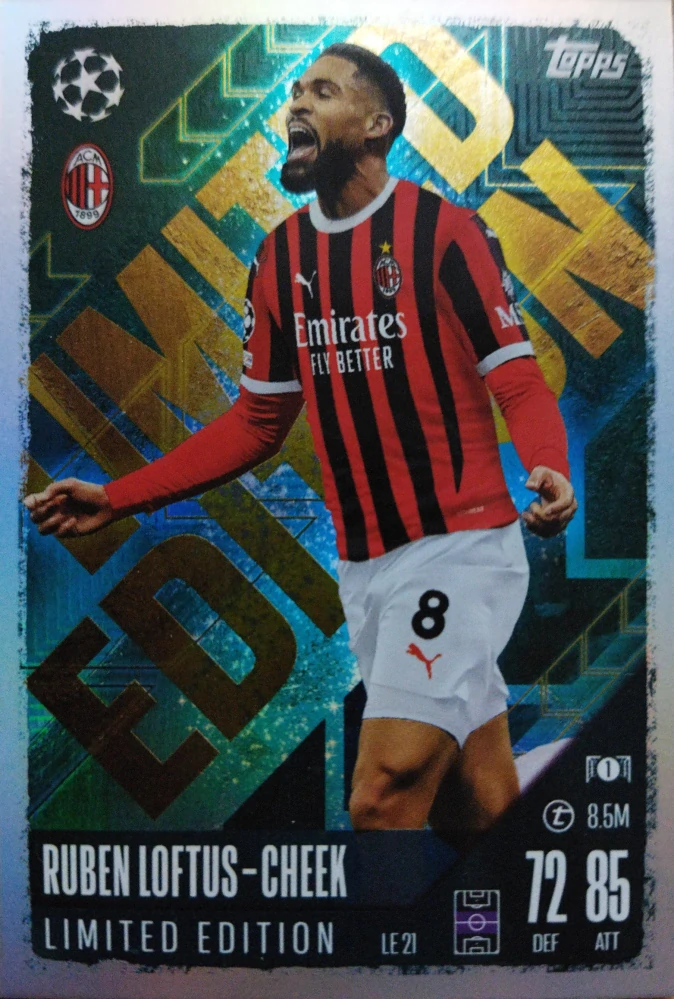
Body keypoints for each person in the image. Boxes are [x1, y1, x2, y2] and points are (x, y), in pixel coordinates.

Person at [24, 43, 577, 848]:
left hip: (459, 550)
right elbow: (257, 422)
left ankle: (377, 936)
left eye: (322, 91)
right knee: (475, 808)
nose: (296, 106)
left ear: (377, 124)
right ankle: (518, 907)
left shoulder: (446, 233)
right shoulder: (280, 257)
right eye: (293, 94)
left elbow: (517, 379)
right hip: (365, 568)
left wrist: (548, 462)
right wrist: (118, 495)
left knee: (381, 796)